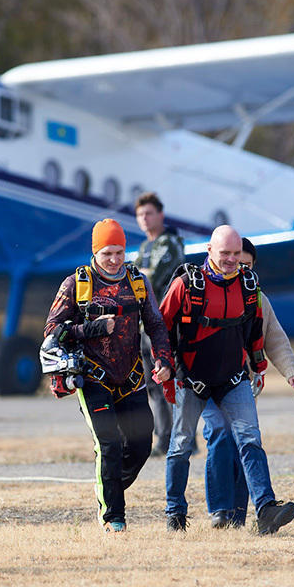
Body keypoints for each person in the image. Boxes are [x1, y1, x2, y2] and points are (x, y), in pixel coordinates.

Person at [159, 225, 294, 535]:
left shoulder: (248, 286)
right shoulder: (186, 285)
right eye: (225, 254)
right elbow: (160, 328)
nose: (232, 260)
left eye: (237, 254)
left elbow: (256, 332)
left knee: (250, 439)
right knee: (180, 445)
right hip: (191, 380)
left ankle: (266, 509)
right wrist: (163, 364)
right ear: (209, 251)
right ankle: (175, 513)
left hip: (233, 379)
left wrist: (260, 368)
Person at [44, 218, 173, 533]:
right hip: (92, 378)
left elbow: (155, 324)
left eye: (119, 251)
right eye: (106, 253)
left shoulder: (137, 281)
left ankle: (109, 487)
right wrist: (91, 328)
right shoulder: (75, 284)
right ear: (95, 252)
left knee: (142, 444)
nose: (114, 259)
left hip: (131, 378)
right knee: (109, 445)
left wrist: (164, 359)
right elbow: (51, 333)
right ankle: (113, 518)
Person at [201, 237, 294, 528]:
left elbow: (276, 339)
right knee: (220, 438)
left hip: (242, 383)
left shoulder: (257, 297)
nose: (239, 267)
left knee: (245, 444)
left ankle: (240, 517)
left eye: (246, 264)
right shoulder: (204, 290)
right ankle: (219, 512)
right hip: (207, 383)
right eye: (235, 260)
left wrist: (291, 371)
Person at [134, 192, 185, 456]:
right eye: (141, 214)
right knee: (153, 384)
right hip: (145, 326)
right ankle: (164, 437)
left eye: (149, 213)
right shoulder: (144, 248)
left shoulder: (170, 243)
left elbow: (149, 280)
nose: (144, 218)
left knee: (170, 382)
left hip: (165, 325)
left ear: (161, 215)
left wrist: (134, 279)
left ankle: (179, 437)